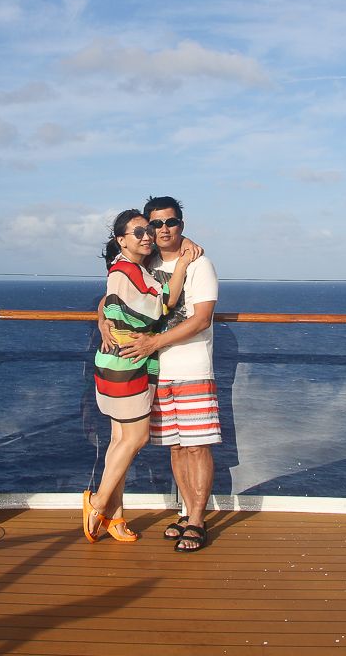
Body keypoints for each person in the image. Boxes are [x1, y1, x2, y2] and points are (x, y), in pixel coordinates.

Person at [106, 196, 219, 552]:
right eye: (155, 224)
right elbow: (113, 293)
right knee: (176, 447)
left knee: (196, 446)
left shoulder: (199, 264)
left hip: (192, 367)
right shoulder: (146, 262)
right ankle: (186, 513)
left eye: (171, 222)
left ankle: (197, 519)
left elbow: (202, 319)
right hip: (156, 371)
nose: (163, 229)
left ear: (181, 225)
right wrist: (103, 321)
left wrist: (154, 342)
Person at [84, 209, 194, 543]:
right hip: (127, 365)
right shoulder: (126, 270)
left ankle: (114, 516)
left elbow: (107, 303)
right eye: (138, 232)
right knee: (136, 439)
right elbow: (164, 303)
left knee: (120, 440)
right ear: (121, 240)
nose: (147, 236)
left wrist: (103, 320)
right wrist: (183, 264)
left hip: (117, 362)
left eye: (148, 230)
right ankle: (98, 503)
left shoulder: (129, 269)